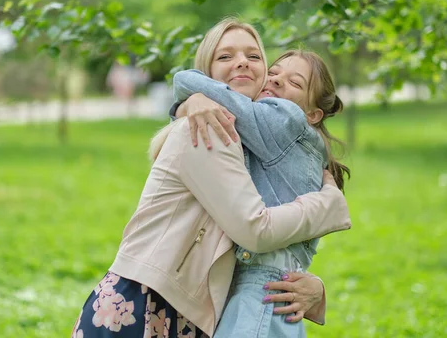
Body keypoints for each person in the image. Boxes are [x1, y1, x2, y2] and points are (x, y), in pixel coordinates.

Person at [71, 18, 351, 338]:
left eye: (255, 56)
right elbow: (255, 230)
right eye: (225, 56)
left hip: (189, 312)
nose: (242, 62)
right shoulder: (206, 131)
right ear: (208, 73)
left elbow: (264, 241)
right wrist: (328, 205)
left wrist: (312, 286)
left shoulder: (252, 140)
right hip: (148, 307)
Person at [171, 19, 351, 337]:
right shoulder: (276, 137)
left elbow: (186, 80)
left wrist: (193, 91)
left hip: (261, 294)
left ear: (312, 115)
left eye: (294, 83)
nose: (277, 82)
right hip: (257, 291)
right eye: (275, 74)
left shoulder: (284, 120)